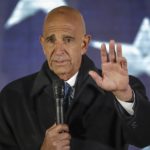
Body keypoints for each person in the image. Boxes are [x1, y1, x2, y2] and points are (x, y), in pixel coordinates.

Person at [0, 6, 150, 150]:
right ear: (43, 44)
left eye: (68, 40)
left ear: (84, 44)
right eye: (51, 40)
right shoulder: (12, 97)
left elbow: (144, 138)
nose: (59, 51)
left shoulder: (122, 90)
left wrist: (123, 95)